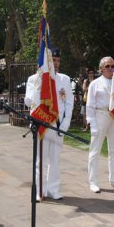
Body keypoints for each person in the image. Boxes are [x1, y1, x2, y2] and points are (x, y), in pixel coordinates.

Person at [24, 48, 74, 201]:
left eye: (58, 61)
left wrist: (65, 123)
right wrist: (40, 86)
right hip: (42, 123)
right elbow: (28, 101)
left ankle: (53, 189)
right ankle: (40, 191)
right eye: (53, 61)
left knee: (55, 159)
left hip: (58, 125)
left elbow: (69, 103)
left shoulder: (64, 79)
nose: (56, 64)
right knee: (41, 159)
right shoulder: (34, 79)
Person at [87, 56, 114, 192]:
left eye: (112, 66)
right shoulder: (95, 84)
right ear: (101, 68)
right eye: (107, 66)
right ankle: (93, 182)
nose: (110, 68)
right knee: (95, 151)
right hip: (100, 115)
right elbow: (89, 105)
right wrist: (92, 124)